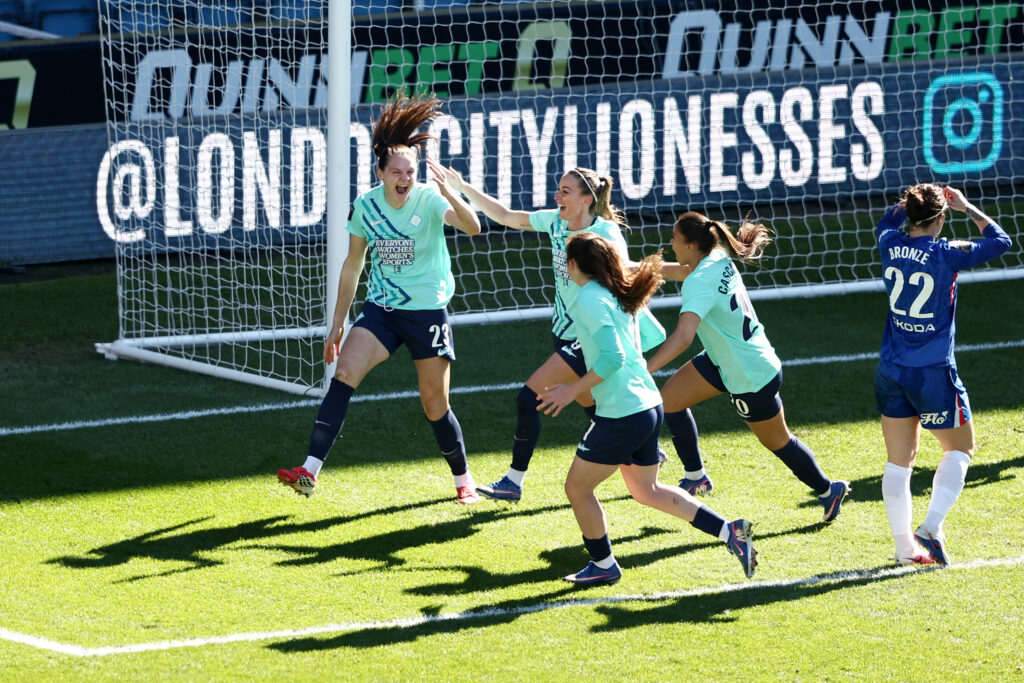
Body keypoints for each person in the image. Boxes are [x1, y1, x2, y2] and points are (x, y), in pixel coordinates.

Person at [276, 93, 483, 504]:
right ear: (381, 173)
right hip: (382, 311)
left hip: (426, 313)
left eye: (411, 171)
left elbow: (474, 227)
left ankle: (464, 481)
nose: (405, 178)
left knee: (434, 404)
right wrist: (338, 321)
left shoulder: (428, 198)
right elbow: (353, 265)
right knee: (344, 373)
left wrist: (451, 192)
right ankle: (309, 472)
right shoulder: (365, 208)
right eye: (397, 172)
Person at [537, 232, 757, 585]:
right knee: (646, 491)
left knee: (577, 489)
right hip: (647, 404)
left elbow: (613, 357)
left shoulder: (589, 299)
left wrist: (571, 391)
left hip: (623, 412)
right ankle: (729, 531)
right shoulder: (616, 292)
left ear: (574, 264)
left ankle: (603, 564)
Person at [438, 165, 664, 502]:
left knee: (528, 399)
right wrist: (463, 187)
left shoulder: (607, 235)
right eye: (558, 189)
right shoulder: (556, 221)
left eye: (565, 191)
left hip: (587, 335)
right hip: (564, 330)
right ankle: (649, 449)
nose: (557, 196)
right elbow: (507, 216)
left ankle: (513, 481)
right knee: (596, 405)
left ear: (587, 199)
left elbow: (625, 280)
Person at [646, 212, 850, 522]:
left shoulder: (698, 282)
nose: (671, 242)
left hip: (748, 375)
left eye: (675, 238)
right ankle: (696, 476)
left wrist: (646, 368)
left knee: (778, 441)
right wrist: (639, 268)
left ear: (690, 245)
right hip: (724, 360)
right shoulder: (714, 256)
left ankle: (827, 490)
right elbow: (683, 271)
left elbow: (683, 337)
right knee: (671, 401)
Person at [874, 184, 1010, 565]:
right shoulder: (947, 253)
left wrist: (909, 203)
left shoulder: (888, 242)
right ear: (941, 218)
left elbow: (888, 220)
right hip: (933, 371)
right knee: (960, 450)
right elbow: (1000, 240)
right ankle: (930, 528)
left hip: (892, 369)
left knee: (898, 462)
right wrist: (966, 206)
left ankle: (904, 549)